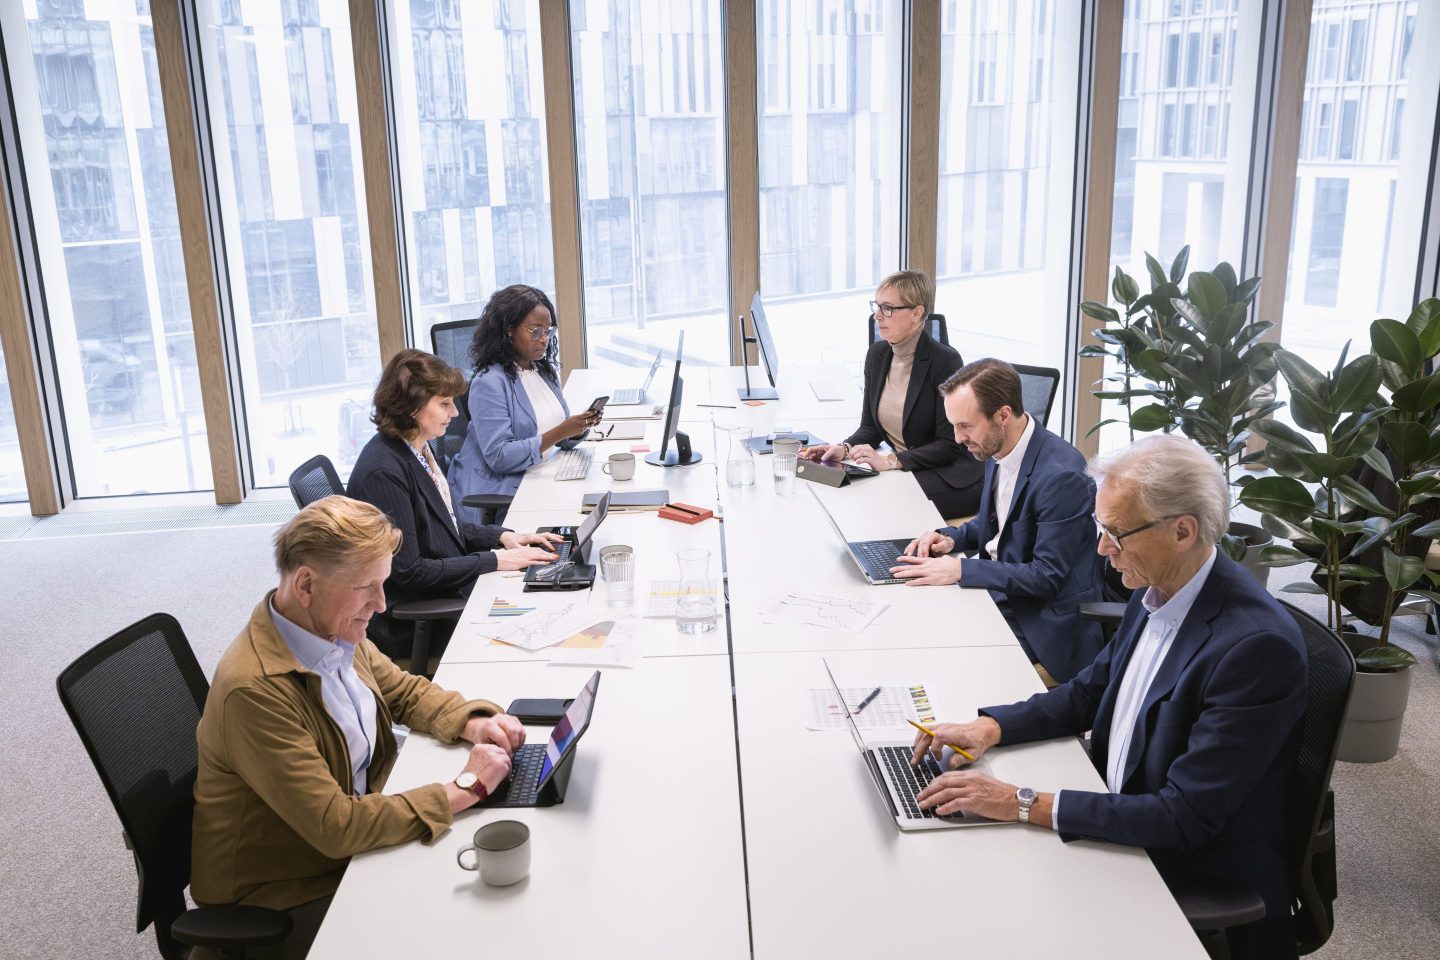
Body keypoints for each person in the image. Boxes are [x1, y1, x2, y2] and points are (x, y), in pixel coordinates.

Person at [910, 435, 1307, 960]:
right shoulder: (1158, 586)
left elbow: (1181, 817)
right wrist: (990, 728)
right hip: (1116, 803)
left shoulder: (1256, 650)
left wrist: (1020, 802)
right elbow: (1090, 692)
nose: (1101, 549)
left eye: (1116, 534)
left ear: (1182, 531)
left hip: (1179, 860)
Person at [191, 497, 526, 959]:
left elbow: (404, 692)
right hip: (285, 890)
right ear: (306, 583)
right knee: (464, 923)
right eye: (367, 587)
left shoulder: (329, 630)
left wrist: (475, 720)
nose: (382, 604)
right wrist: (466, 787)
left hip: (348, 837)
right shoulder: (254, 690)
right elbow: (335, 826)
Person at [891, 358, 1103, 683]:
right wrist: (951, 539)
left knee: (945, 661)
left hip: (1041, 618)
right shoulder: (997, 446)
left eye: (965, 425)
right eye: (954, 425)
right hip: (1002, 591)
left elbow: (1046, 577)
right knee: (914, 617)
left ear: (1002, 415)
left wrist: (961, 569)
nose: (958, 437)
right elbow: (998, 527)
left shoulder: (1061, 477)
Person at [347, 348, 561, 657]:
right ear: (411, 407)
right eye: (444, 404)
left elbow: (443, 525)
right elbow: (409, 572)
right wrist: (495, 560)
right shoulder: (384, 473)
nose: (456, 413)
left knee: (543, 596)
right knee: (538, 627)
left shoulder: (415, 448)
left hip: (446, 590)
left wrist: (502, 537)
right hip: (419, 618)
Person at [798, 270, 982, 519]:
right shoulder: (878, 355)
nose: (877, 316)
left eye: (888, 308)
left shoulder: (945, 361)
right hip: (905, 467)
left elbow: (949, 445)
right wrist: (844, 448)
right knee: (825, 478)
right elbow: (870, 427)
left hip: (949, 474)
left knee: (871, 499)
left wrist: (893, 461)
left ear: (917, 313)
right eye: (877, 306)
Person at [448, 284, 600, 525]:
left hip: (542, 472)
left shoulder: (542, 369)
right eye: (535, 331)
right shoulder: (489, 382)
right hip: (499, 490)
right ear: (509, 331)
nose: (544, 340)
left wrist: (578, 428)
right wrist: (561, 431)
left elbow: (557, 434)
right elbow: (499, 456)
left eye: (548, 331)